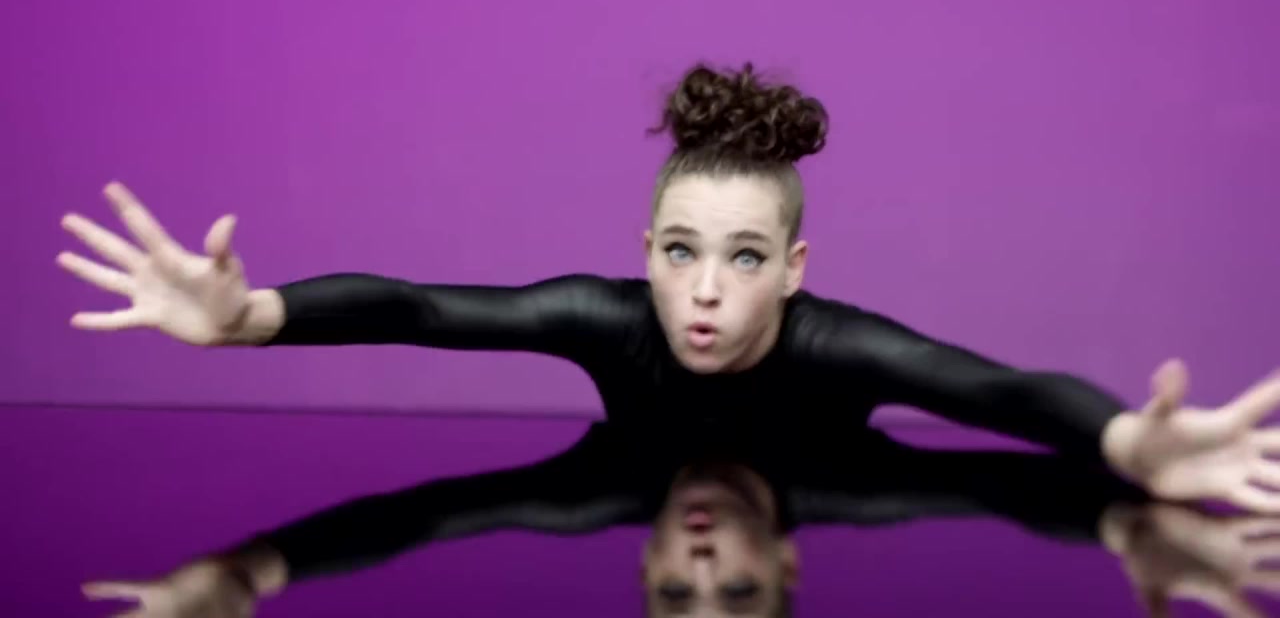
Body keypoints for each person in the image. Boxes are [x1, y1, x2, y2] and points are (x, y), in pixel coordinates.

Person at [58, 62, 1280, 511]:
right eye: (680, 252)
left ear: (793, 273)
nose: (702, 292)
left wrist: (1125, 442)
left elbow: (995, 393)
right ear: (643, 248)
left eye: (743, 259)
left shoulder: (837, 344)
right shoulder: (605, 321)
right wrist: (253, 318)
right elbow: (426, 309)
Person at [80, 420, 1280, 618]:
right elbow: (999, 487)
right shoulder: (860, 494)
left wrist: (252, 574)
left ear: (644, 564)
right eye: (733, 594)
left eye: (676, 594)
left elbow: (428, 517)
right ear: (789, 567)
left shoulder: (584, 503)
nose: (702, 561)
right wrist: (1128, 511)